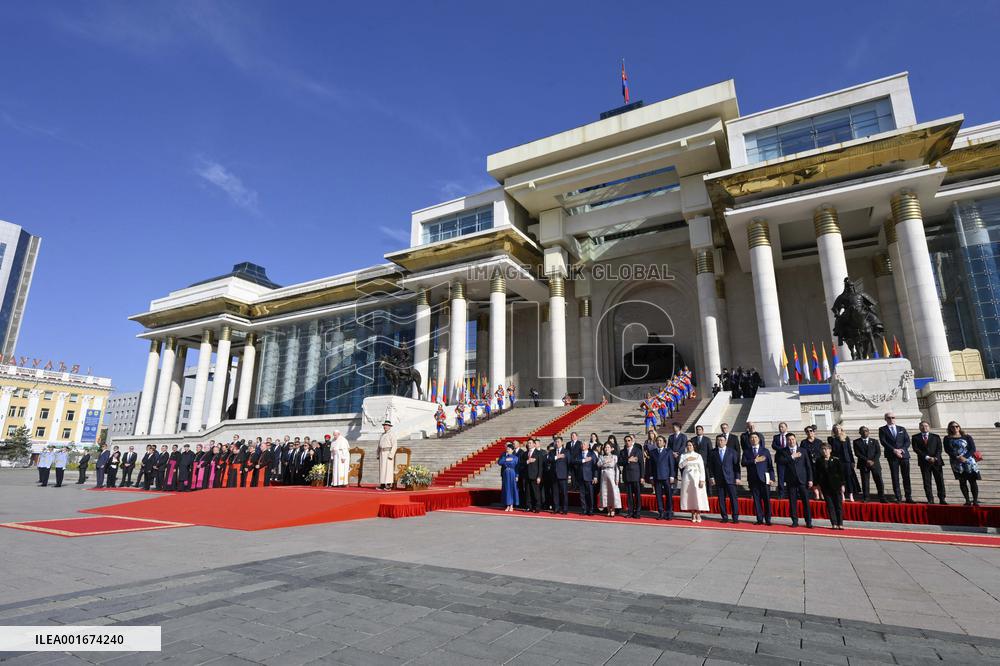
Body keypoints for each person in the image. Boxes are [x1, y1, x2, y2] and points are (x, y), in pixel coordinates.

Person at [777, 434, 813, 528]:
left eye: (792, 439)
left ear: (795, 440)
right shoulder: (783, 451)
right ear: (786, 441)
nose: (791, 441)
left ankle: (808, 522)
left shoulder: (803, 450)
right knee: (792, 502)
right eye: (789, 440)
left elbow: (808, 466)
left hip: (802, 480)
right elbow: (780, 461)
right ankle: (795, 521)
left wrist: (810, 479)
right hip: (791, 480)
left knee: (806, 501)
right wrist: (792, 457)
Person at [943, 421, 981, 506]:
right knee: (962, 481)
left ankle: (975, 500)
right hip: (956, 462)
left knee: (972, 481)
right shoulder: (947, 438)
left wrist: (965, 457)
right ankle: (967, 500)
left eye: (956, 426)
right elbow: (947, 450)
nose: (955, 428)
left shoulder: (967, 437)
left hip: (969, 461)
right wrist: (957, 457)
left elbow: (972, 449)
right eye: (952, 427)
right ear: (950, 428)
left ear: (959, 427)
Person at [878, 412, 913, 503]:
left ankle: (908, 496)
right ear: (885, 419)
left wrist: (901, 450)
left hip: (904, 455)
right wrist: (894, 450)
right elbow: (883, 442)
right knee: (895, 477)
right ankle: (898, 497)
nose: (891, 419)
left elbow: (907, 441)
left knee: (906, 477)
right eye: (889, 418)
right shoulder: (882, 429)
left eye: (893, 417)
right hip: (892, 456)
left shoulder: (901, 429)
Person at [742, 432, 774, 526]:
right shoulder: (747, 451)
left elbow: (770, 466)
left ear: (759, 439)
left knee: (766, 500)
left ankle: (768, 519)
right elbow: (743, 463)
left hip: (764, 479)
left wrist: (772, 478)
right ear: (749, 440)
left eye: (755, 437)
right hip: (753, 479)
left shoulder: (765, 451)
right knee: (756, 500)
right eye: (751, 438)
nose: (753, 439)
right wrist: (754, 461)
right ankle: (759, 519)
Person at [912, 421, 946, 504]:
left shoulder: (936, 437)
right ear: (919, 427)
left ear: (929, 427)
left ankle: (942, 498)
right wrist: (927, 457)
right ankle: (930, 499)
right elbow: (916, 449)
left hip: (936, 462)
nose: (924, 427)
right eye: (922, 426)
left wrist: (935, 458)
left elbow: (939, 449)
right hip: (924, 462)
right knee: (927, 481)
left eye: (926, 426)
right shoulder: (915, 437)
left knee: (940, 481)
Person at [708, 434, 740, 523]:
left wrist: (737, 477)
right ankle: (724, 517)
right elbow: (710, 467)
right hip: (719, 479)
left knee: (733, 498)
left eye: (722, 440)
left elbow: (736, 466)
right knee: (721, 499)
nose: (720, 442)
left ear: (725, 441)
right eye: (718, 440)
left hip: (731, 479)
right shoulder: (713, 452)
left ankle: (735, 517)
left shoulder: (732, 451)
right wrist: (711, 477)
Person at [814, 442, 845, 530]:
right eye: (822, 449)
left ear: (830, 450)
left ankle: (840, 523)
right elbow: (817, 473)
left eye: (826, 449)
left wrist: (842, 484)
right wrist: (816, 485)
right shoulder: (819, 460)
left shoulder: (836, 460)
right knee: (830, 506)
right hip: (825, 486)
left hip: (836, 486)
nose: (824, 451)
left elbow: (841, 473)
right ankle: (834, 523)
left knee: (838, 505)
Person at [853, 426, 886, 503]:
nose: (865, 432)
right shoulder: (856, 442)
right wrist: (867, 460)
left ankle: (882, 497)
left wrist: (873, 461)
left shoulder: (874, 441)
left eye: (866, 431)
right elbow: (857, 453)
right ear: (859, 432)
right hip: (863, 464)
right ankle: (866, 497)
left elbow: (878, 452)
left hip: (875, 464)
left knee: (879, 481)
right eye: (863, 431)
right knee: (865, 482)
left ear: (868, 432)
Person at [678, 440, 709, 522]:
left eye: (690, 445)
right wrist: (687, 459)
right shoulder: (683, 455)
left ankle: (698, 513)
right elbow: (680, 466)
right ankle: (692, 513)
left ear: (694, 446)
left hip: (697, 477)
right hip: (687, 477)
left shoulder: (698, 456)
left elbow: (702, 468)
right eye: (688, 445)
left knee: (698, 495)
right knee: (690, 496)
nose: (689, 447)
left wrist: (702, 480)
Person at [827, 425, 859, 502]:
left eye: (838, 428)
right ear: (833, 430)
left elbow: (849, 450)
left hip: (846, 461)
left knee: (849, 478)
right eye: (835, 429)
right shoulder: (831, 439)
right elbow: (831, 452)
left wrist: (852, 461)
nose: (837, 430)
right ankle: (842, 495)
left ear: (841, 429)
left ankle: (851, 494)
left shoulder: (846, 438)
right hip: (837, 461)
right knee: (840, 479)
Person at [648, 435, 676, 520]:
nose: (658, 442)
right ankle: (661, 512)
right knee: (658, 495)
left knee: (668, 495)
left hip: (666, 476)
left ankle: (669, 512)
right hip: (656, 477)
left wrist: (672, 476)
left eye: (660, 441)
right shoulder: (652, 452)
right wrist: (651, 476)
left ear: (664, 443)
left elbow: (671, 464)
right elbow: (651, 466)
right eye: (657, 440)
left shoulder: (668, 451)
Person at [619, 435, 643, 519]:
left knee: (637, 495)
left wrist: (642, 476)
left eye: (629, 440)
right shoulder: (622, 451)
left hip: (636, 475)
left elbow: (641, 464)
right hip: (627, 476)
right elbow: (620, 462)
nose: (627, 442)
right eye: (626, 440)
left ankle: (638, 512)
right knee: (629, 495)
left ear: (632, 441)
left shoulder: (638, 450)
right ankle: (630, 511)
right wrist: (628, 460)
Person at [597, 443, 621, 517]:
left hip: (612, 476)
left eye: (608, 447)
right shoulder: (601, 457)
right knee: (605, 493)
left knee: (613, 492)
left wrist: (617, 478)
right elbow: (598, 464)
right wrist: (605, 462)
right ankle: (608, 509)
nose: (606, 449)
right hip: (604, 476)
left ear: (611, 449)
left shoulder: (614, 457)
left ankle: (613, 509)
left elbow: (617, 468)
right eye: (605, 447)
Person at [547, 436, 569, 514]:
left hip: (563, 475)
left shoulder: (566, 451)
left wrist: (568, 475)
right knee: (555, 493)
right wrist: (557, 457)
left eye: (558, 441)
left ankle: (565, 509)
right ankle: (556, 508)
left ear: (562, 442)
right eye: (556, 442)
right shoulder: (552, 452)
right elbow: (549, 460)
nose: (557, 443)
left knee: (564, 493)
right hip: (554, 475)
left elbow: (569, 463)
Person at [576, 441, 598, 516]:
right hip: (580, 477)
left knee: (590, 494)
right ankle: (584, 509)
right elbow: (575, 461)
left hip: (589, 477)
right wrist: (584, 460)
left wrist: (595, 476)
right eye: (582, 444)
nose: (582, 445)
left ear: (588, 446)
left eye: (584, 444)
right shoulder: (579, 454)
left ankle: (591, 509)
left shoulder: (592, 454)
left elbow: (595, 466)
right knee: (582, 495)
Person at [523, 439, 544, 513]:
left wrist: (539, 477)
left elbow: (540, 466)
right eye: (528, 443)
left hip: (535, 476)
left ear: (534, 444)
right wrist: (527, 461)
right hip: (527, 476)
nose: (529, 444)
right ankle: (529, 507)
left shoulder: (538, 453)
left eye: (530, 443)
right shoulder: (525, 454)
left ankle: (537, 507)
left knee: (536, 493)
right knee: (528, 493)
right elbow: (522, 464)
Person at [376, 420, 397, 490]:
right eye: (384, 425)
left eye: (387, 425)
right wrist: (378, 454)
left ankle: (388, 485)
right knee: (382, 469)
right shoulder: (382, 435)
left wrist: (391, 455)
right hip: (382, 453)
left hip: (388, 453)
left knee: (388, 469)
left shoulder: (392, 434)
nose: (385, 426)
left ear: (389, 427)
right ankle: (382, 484)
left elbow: (394, 445)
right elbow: (379, 445)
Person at [772, 422, 790, 499]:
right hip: (780, 460)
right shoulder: (776, 437)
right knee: (781, 477)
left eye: (782, 427)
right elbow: (773, 445)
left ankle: (790, 492)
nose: (780, 428)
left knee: (790, 477)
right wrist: (783, 449)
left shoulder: (790, 436)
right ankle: (781, 493)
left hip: (789, 459)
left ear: (786, 428)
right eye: (779, 427)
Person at [498, 444, 519, 512]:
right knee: (506, 489)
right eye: (507, 449)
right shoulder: (504, 456)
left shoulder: (515, 457)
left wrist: (517, 475)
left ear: (512, 450)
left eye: (509, 449)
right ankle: (507, 505)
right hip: (506, 473)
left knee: (512, 488)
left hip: (512, 473)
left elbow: (517, 467)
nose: (508, 450)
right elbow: (500, 462)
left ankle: (511, 505)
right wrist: (506, 458)